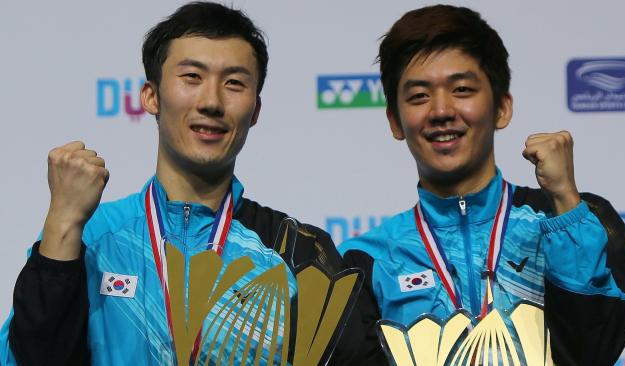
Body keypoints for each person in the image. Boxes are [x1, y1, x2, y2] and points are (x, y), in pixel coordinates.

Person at [0, 2, 363, 365]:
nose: (212, 101)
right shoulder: (91, 238)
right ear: (151, 96)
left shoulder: (297, 251)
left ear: (255, 111)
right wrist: (63, 222)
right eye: (192, 77)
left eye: (234, 83)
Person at [338, 5, 625, 365]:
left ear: (501, 108)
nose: (441, 110)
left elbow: (596, 349)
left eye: (462, 89)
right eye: (419, 95)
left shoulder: (577, 220)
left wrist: (564, 200)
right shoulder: (366, 260)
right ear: (395, 121)